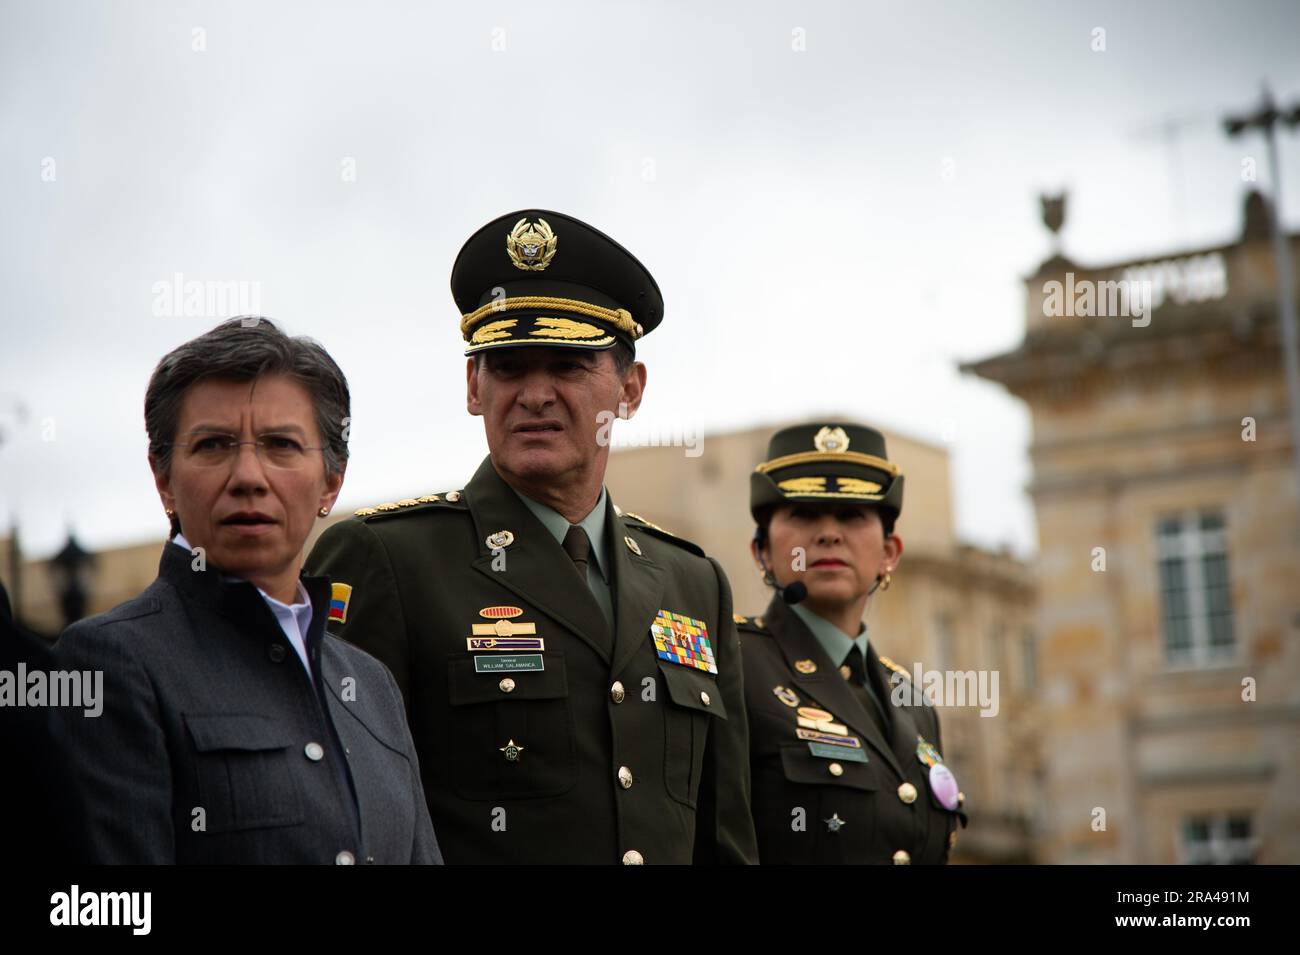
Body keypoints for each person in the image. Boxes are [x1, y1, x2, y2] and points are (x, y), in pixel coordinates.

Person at [307, 210, 757, 864]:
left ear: (630, 389)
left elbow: (725, 837)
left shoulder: (692, 582)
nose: (535, 394)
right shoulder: (388, 560)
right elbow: (344, 820)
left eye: (568, 366)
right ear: (473, 386)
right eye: (509, 366)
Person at [54, 318, 441, 864]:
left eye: (282, 444)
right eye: (212, 445)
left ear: (332, 481)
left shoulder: (371, 686)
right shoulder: (110, 664)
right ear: (163, 479)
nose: (248, 476)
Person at [738, 422, 967, 864]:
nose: (829, 533)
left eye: (852, 514)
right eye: (803, 514)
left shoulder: (911, 700)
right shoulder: (732, 665)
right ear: (761, 551)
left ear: (890, 553)